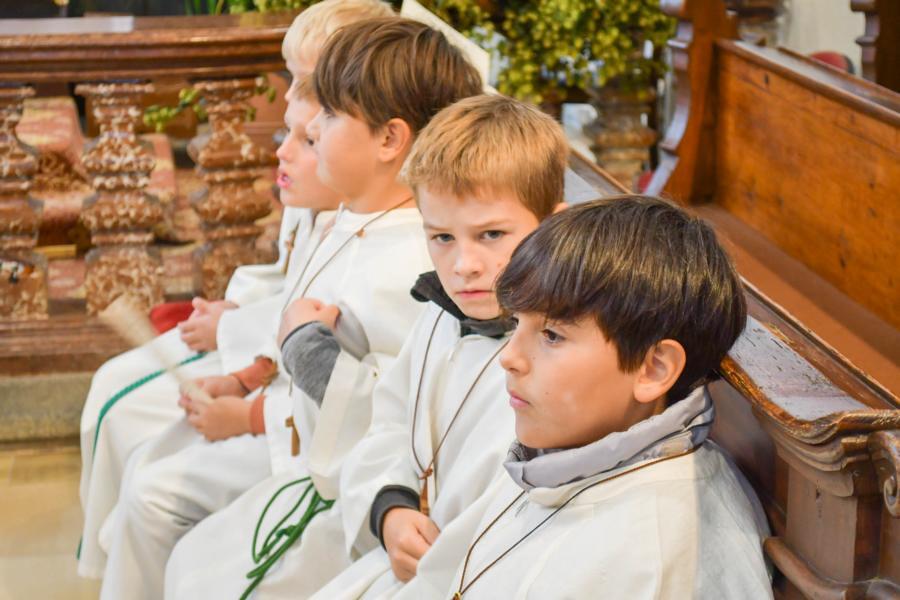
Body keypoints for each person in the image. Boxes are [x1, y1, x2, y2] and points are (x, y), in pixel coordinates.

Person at [102, 17, 482, 600]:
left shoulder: (413, 264)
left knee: (191, 557)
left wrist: (301, 353)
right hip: (311, 448)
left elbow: (395, 417)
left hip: (347, 492)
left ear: (390, 140)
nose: (310, 128)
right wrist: (256, 372)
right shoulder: (353, 216)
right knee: (167, 503)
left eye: (326, 116)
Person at [76, 0, 395, 580]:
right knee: (129, 427)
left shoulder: (382, 229)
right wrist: (247, 369)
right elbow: (296, 295)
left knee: (153, 485)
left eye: (312, 90)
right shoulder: (348, 205)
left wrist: (248, 406)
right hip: (280, 401)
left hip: (318, 457)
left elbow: (363, 398)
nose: (291, 137)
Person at [411, 196, 773, 599]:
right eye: (516, 322)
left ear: (654, 369)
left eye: (552, 335)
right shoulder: (568, 448)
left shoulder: (656, 560)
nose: (508, 357)